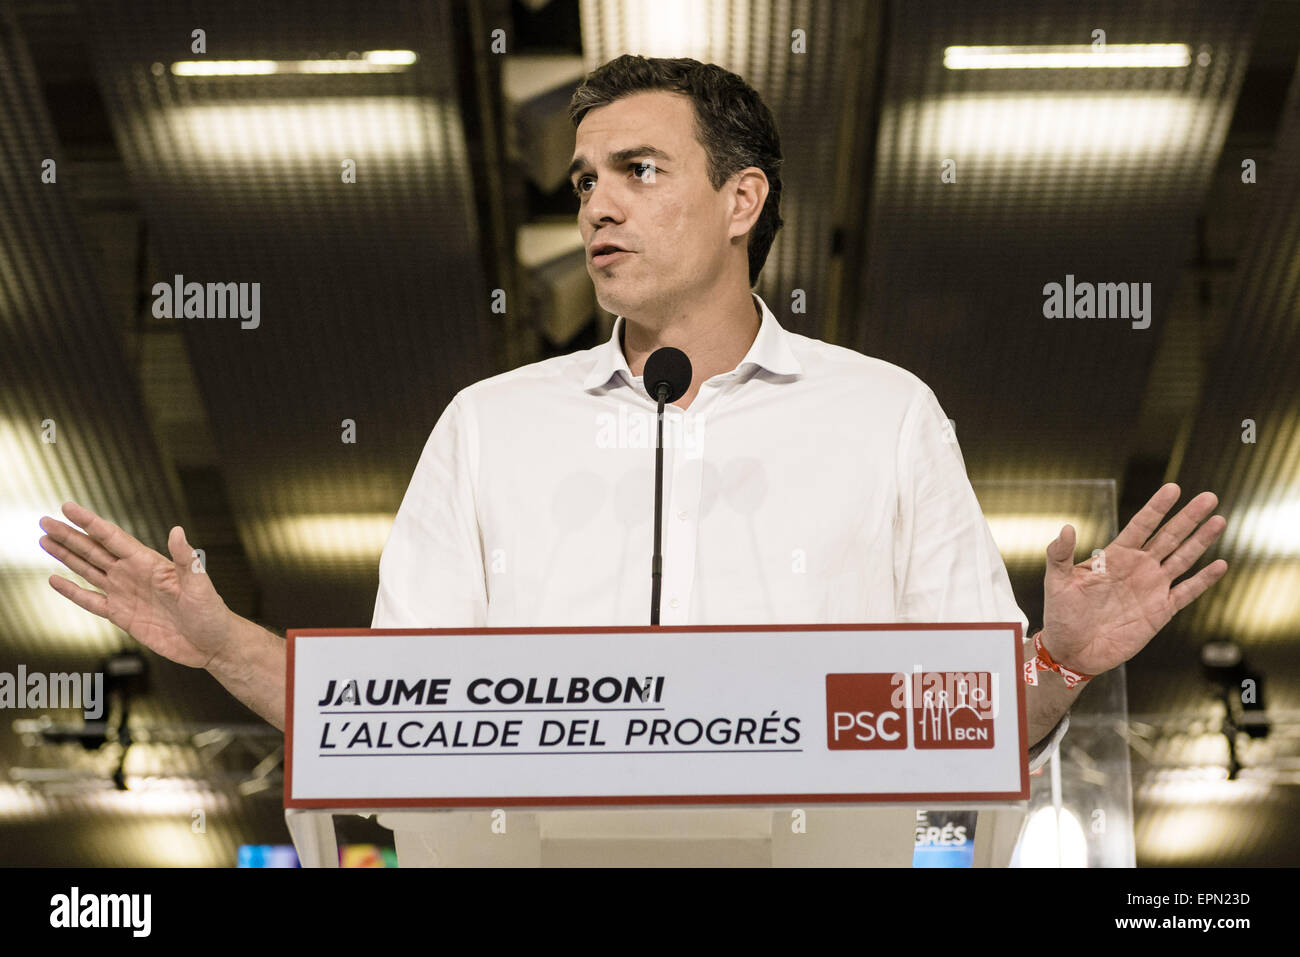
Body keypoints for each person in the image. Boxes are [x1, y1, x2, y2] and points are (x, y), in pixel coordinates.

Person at [37, 56, 1227, 770]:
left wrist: (1060, 663)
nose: (596, 206)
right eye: (582, 183)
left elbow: (965, 725)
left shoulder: (884, 416)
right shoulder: (489, 426)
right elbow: (395, 718)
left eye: (639, 171)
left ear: (740, 198)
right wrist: (222, 643)